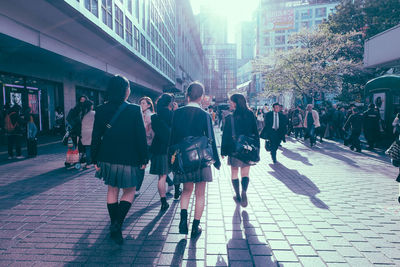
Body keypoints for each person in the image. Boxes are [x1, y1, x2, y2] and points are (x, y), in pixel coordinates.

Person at [91, 75, 149, 245]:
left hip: (107, 157)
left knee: (112, 190)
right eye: (128, 87)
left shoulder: (101, 109)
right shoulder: (133, 109)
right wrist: (144, 157)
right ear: (125, 90)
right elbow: (140, 136)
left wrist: (93, 158)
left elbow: (96, 136)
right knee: (129, 191)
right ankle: (117, 224)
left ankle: (114, 223)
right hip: (129, 157)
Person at [169, 81, 221, 239]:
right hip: (201, 160)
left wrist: (170, 160)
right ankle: (195, 227)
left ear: (187, 95)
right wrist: (217, 162)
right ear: (201, 97)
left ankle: (183, 221)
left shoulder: (177, 113)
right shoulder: (205, 114)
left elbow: (172, 138)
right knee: (200, 194)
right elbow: (211, 139)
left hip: (183, 159)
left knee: (186, 191)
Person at [221, 94, 260, 207]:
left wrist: (223, 151)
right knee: (245, 173)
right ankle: (244, 192)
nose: (229, 103)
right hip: (248, 149)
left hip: (234, 149)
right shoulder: (250, 114)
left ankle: (237, 194)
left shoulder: (230, 117)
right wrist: (256, 148)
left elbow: (226, 135)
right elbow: (256, 133)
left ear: (235, 103)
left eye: (230, 102)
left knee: (234, 172)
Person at [149, 93, 176, 212]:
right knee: (174, 172)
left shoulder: (154, 116)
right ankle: (177, 191)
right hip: (169, 148)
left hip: (157, 148)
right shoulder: (172, 115)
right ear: (170, 103)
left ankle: (163, 201)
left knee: (161, 176)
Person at [136, 97, 155, 194]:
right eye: (140, 103)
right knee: (153, 164)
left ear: (149, 105)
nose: (141, 105)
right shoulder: (140, 115)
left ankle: (137, 188)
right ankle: (170, 182)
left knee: (142, 165)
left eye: (143, 103)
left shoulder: (150, 116)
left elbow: (150, 132)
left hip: (148, 144)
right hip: (142, 144)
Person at [80, 100, 95, 168]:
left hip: (84, 133)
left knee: (87, 148)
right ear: (91, 106)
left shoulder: (82, 114)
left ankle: (88, 163)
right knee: (93, 148)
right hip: (92, 132)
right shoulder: (94, 113)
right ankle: (90, 163)